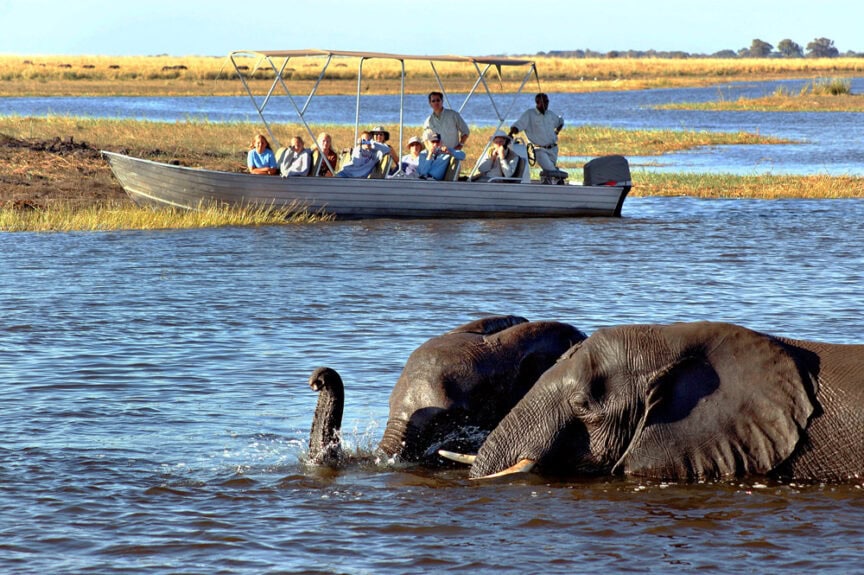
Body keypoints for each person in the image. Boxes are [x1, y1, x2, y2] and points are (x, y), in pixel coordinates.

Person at [508, 92, 565, 175]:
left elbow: (560, 122)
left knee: (550, 172)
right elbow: (518, 126)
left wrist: (556, 132)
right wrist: (510, 134)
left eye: (547, 102)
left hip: (553, 149)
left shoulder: (550, 114)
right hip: (539, 150)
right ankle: (558, 182)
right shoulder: (529, 114)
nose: (546, 104)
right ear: (537, 102)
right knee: (552, 171)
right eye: (544, 102)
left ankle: (549, 185)